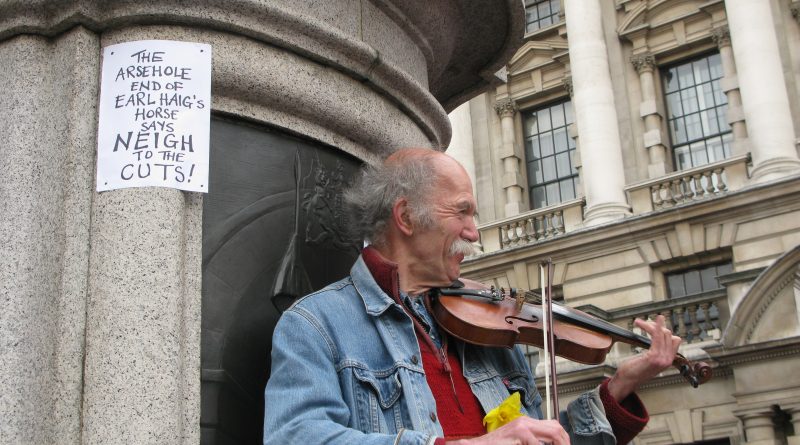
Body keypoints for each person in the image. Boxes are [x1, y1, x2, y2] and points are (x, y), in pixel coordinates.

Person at [264, 148, 682, 445]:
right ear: (406, 217)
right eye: (461, 212)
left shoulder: (490, 330)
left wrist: (621, 387)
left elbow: (540, 437)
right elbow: (296, 437)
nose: (473, 232)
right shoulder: (316, 325)